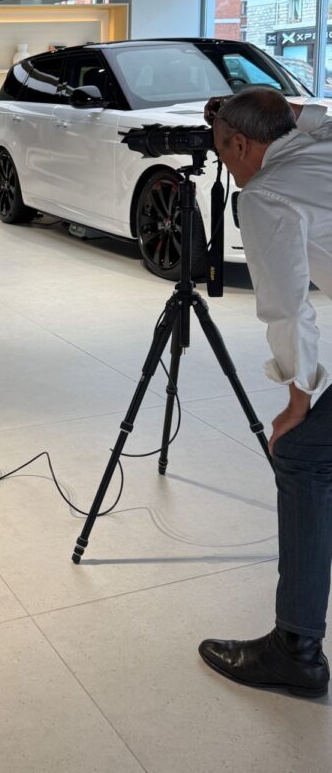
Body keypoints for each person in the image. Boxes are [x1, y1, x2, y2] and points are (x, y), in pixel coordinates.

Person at [198, 86, 331, 698]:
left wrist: (297, 401)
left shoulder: (265, 194)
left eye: (226, 153)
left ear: (244, 145)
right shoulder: (319, 140)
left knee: (303, 455)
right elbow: (313, 113)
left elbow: (287, 305)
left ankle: (295, 650)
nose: (226, 165)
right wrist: (247, 110)